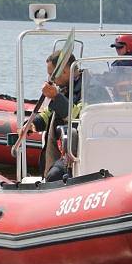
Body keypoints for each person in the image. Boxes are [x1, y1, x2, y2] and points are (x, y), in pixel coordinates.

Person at [19, 51, 83, 181]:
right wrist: (33, 124)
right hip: (62, 150)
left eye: (51, 75)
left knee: (54, 176)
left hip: (79, 151)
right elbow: (48, 113)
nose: (49, 79)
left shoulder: (89, 87)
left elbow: (78, 117)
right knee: (51, 174)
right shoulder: (64, 88)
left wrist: (56, 96)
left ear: (64, 71)